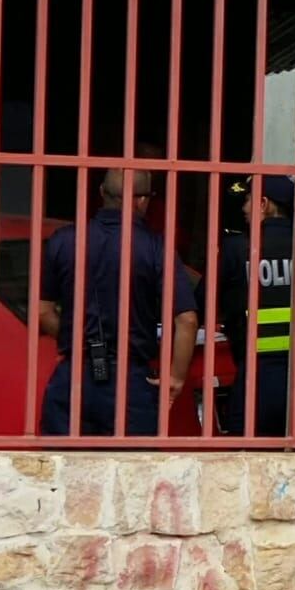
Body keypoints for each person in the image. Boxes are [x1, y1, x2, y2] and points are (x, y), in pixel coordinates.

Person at [39, 169, 198, 436]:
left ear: (102, 193)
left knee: (66, 469)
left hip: (73, 377)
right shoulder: (156, 247)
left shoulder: (64, 240)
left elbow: (43, 312)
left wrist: (79, 338)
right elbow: (187, 320)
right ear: (142, 200)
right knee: (133, 472)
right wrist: (175, 377)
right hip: (130, 383)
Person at [198, 175, 295, 436]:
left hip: (255, 375)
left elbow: (202, 301)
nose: (244, 208)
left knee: (247, 454)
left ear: (263, 204)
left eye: (248, 200)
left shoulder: (237, 248)